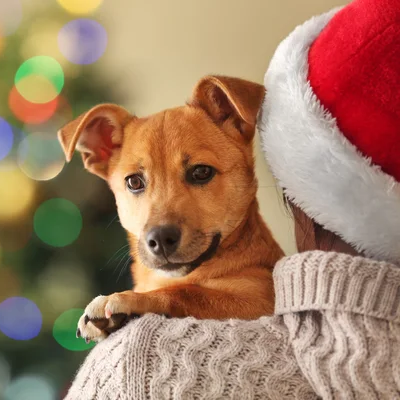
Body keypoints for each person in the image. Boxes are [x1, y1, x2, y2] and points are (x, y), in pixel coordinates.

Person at [64, 0, 400, 398]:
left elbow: (255, 299)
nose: (164, 219)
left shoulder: (256, 293)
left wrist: (159, 303)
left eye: (200, 174)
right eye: (136, 184)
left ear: (236, 124)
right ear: (103, 157)